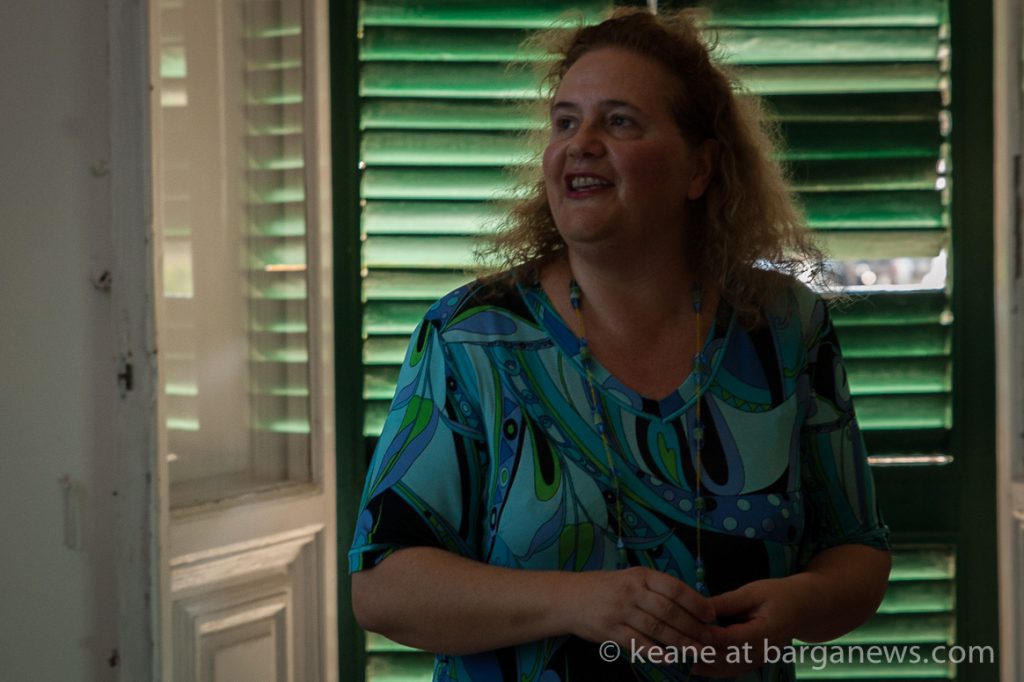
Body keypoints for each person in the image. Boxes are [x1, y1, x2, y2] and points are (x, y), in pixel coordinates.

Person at [349, 8, 891, 681]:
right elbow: (382, 587)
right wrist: (579, 602)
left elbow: (858, 552)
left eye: (620, 121)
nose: (580, 144)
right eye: (565, 122)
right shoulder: (468, 336)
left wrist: (801, 606)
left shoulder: (785, 325)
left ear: (700, 168)